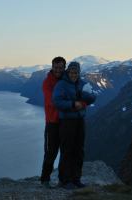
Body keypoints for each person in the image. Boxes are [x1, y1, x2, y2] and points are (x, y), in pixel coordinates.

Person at [52, 61, 96, 189]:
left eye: (76, 72)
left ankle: (76, 179)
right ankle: (65, 180)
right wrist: (72, 104)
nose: (73, 74)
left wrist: (85, 96)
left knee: (79, 150)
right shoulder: (61, 84)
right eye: (71, 72)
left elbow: (93, 97)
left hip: (80, 120)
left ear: (79, 72)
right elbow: (57, 101)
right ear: (68, 72)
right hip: (67, 121)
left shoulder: (83, 84)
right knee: (67, 150)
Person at [40, 56, 66, 187]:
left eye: (61, 68)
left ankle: (63, 180)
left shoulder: (68, 79)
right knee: (51, 152)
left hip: (66, 122)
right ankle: (45, 179)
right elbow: (52, 101)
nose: (58, 70)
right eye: (56, 67)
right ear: (52, 67)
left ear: (64, 68)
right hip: (52, 122)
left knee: (65, 152)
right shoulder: (47, 82)